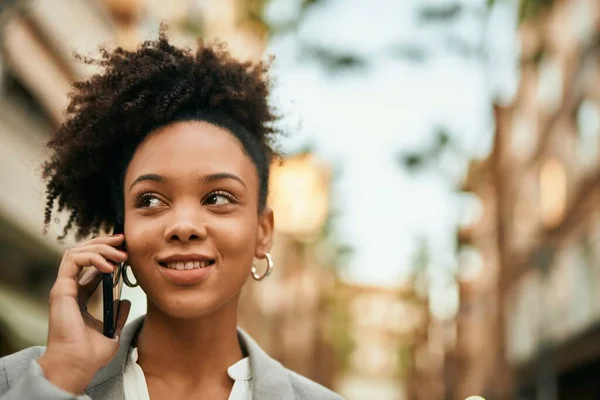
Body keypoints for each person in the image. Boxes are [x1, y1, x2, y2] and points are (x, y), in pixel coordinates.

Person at [0, 28, 343, 400]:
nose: (184, 226)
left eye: (217, 197)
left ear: (263, 231)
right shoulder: (18, 381)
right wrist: (60, 378)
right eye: (149, 201)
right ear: (120, 232)